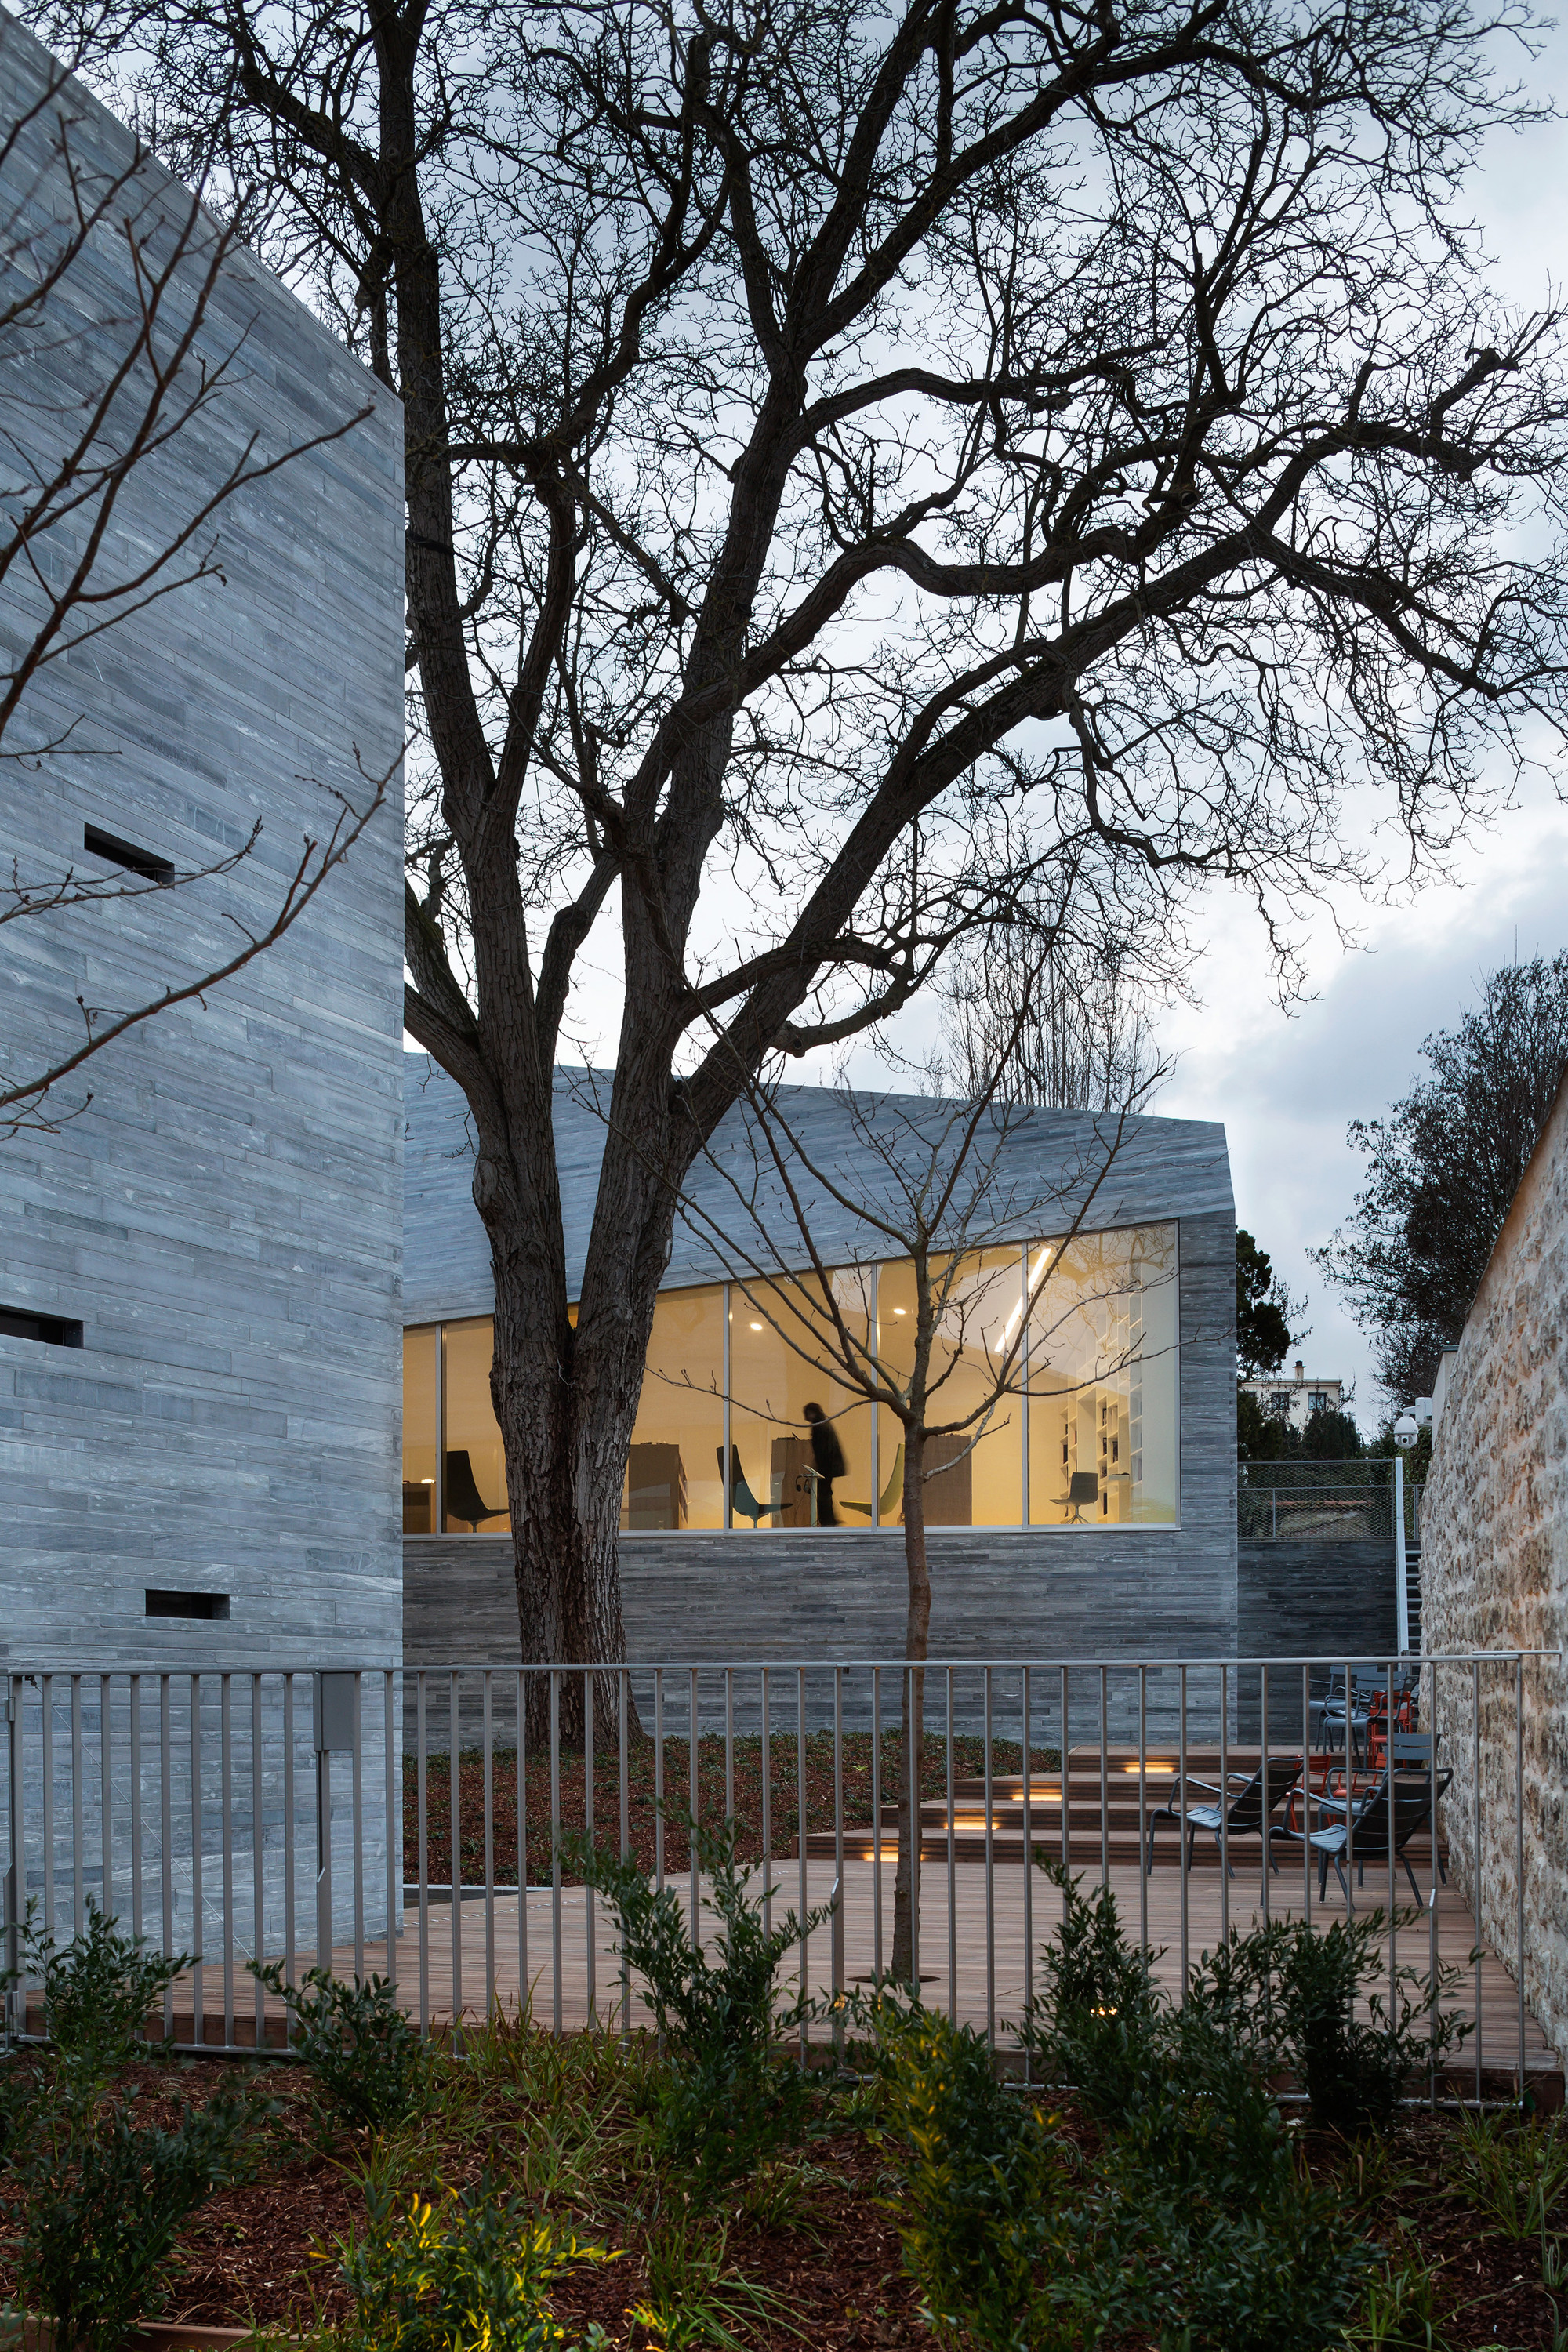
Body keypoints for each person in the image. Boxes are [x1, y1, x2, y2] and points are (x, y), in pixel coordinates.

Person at [801, 1401, 846, 1527]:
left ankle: (827, 1521)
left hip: (827, 1466)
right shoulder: (825, 1423)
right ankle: (830, 1520)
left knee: (823, 1494)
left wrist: (818, 1465)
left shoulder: (819, 1426)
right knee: (825, 1493)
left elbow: (822, 1449)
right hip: (831, 1465)